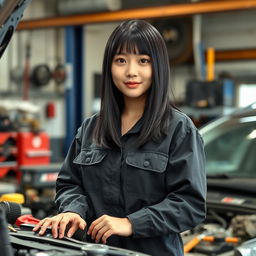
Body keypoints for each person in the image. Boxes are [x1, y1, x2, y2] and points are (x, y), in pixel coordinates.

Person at [33, 19, 207, 256]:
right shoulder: (92, 127)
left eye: (143, 61)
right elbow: (70, 183)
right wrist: (73, 210)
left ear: (158, 67)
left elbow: (190, 205)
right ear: (109, 67)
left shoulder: (179, 129)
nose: (131, 71)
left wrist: (131, 223)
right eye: (121, 60)